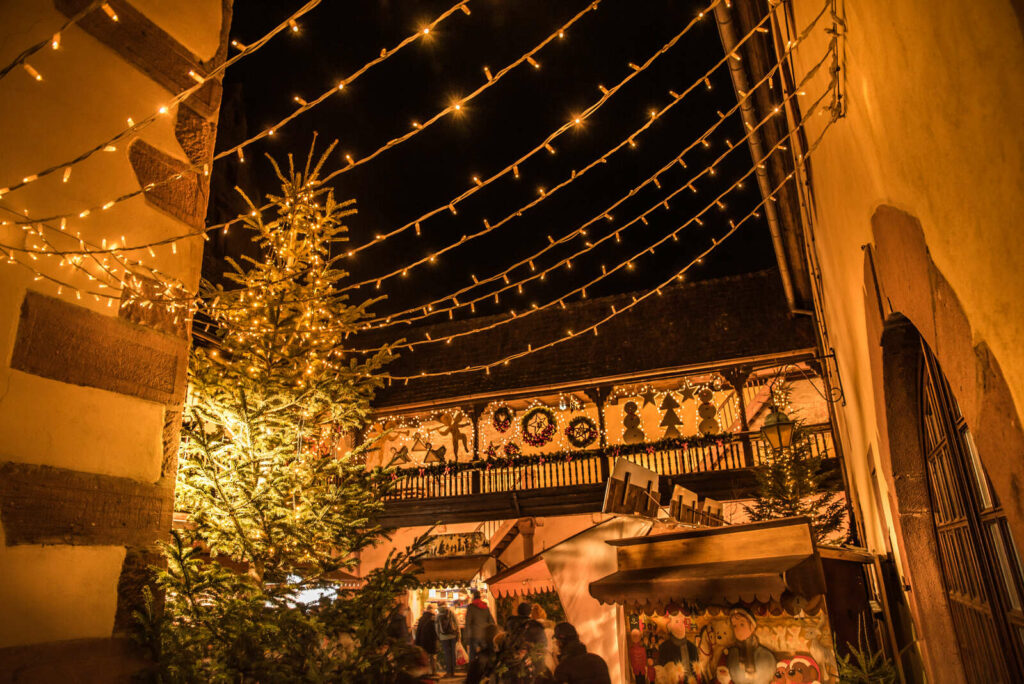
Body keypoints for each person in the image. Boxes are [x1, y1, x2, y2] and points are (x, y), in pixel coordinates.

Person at [465, 589, 496, 662]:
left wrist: (466, 637)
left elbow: (468, 622)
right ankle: (483, 670)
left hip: (474, 635)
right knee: (485, 654)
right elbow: (492, 621)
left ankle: (472, 671)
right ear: (480, 597)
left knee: (472, 655)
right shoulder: (485, 607)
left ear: (473, 597)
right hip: (484, 634)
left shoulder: (471, 607)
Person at [436, 601, 461, 677]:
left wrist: (439, 636)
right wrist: (459, 635)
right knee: (453, 653)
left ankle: (448, 672)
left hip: (443, 637)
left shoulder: (438, 614)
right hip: (453, 635)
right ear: (445, 604)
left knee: (447, 654)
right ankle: (453, 671)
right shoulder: (451, 612)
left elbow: (437, 628)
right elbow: (457, 623)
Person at [414, 604, 439, 674]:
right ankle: (433, 672)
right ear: (432, 610)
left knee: (426, 657)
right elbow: (435, 631)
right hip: (431, 641)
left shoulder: (421, 618)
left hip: (423, 641)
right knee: (432, 657)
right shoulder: (433, 618)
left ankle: (427, 672)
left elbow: (418, 631)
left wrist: (417, 642)